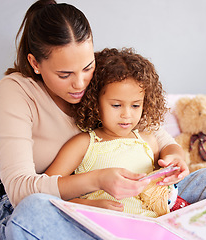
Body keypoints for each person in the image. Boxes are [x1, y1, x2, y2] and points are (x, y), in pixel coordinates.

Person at [0, 0, 206, 239]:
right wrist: (95, 186)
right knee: (30, 215)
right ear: (35, 63)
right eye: (64, 74)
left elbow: (155, 135)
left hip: (142, 197)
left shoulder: (100, 79)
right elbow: (19, 191)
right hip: (66, 204)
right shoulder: (16, 91)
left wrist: (175, 157)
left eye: (87, 67)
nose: (80, 83)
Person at [45, 47, 189, 217]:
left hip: (152, 225)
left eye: (135, 105)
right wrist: (88, 206)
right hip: (106, 227)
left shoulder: (147, 140)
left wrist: (175, 162)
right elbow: (46, 190)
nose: (126, 115)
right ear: (95, 102)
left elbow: (168, 162)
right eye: (116, 105)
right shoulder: (83, 144)